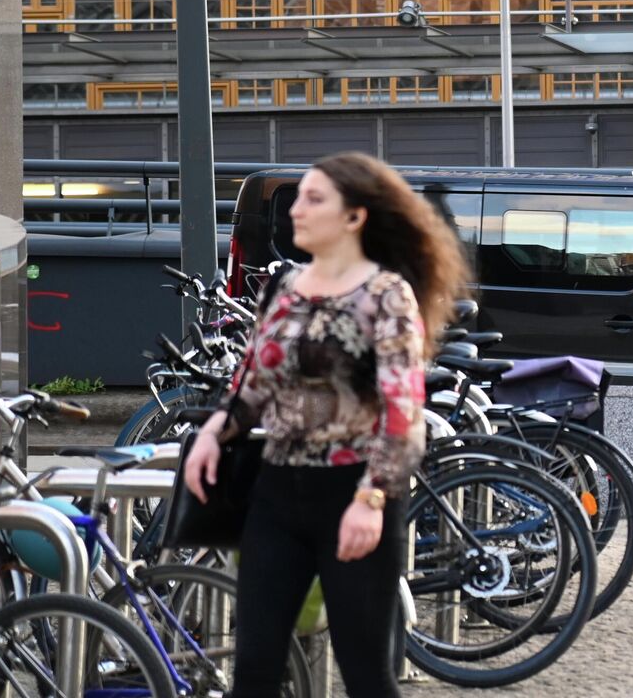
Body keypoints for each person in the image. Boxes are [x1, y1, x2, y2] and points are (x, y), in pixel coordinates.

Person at [183, 152, 469, 698]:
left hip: (354, 491)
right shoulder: (283, 287)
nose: (297, 210)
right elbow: (252, 386)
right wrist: (213, 433)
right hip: (276, 493)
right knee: (254, 670)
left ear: (354, 216)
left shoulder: (386, 294)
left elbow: (403, 412)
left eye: (315, 199)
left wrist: (372, 498)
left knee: (365, 674)